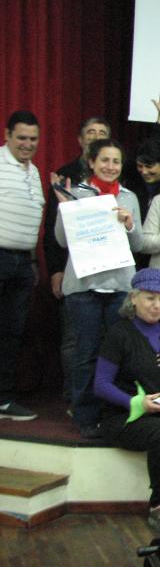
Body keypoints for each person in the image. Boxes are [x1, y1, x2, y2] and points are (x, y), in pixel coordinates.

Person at [93, 268, 160, 527]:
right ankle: (159, 503)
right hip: (124, 414)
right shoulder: (119, 333)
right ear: (133, 298)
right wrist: (136, 402)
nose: (157, 305)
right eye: (150, 298)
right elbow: (101, 384)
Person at [53, 139, 143, 438]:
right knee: (86, 353)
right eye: (104, 160)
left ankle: (114, 412)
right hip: (83, 287)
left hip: (119, 286)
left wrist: (129, 224)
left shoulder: (129, 197)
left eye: (116, 161)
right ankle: (86, 416)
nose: (110, 166)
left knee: (117, 354)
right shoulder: (75, 193)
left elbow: (139, 244)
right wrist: (66, 211)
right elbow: (62, 241)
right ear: (91, 162)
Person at [43, 117, 111, 406]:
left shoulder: (117, 183)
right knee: (74, 339)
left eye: (102, 134)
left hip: (110, 273)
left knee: (106, 341)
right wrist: (56, 269)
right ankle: (74, 399)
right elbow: (51, 229)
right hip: (74, 270)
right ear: (80, 140)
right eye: (91, 133)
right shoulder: (65, 175)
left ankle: (101, 400)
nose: (96, 137)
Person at [0, 110, 44, 421]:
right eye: (22, 138)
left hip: (22, 262)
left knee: (12, 334)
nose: (27, 144)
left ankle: (3, 400)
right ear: (7, 136)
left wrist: (31, 262)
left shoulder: (35, 171)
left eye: (33, 139)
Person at [122, 86, 160, 223]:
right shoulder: (133, 177)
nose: (144, 171)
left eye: (149, 166)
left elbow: (157, 143)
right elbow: (154, 143)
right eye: (140, 165)